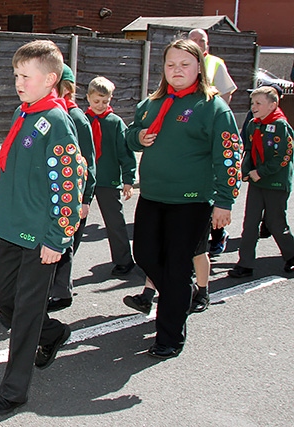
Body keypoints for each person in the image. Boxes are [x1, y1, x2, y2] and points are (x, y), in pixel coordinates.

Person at [0, 40, 85, 415]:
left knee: (26, 314)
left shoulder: (57, 121)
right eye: (16, 75)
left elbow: (69, 183)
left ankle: (13, 390)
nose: (18, 82)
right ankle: (55, 332)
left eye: (25, 76)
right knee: (4, 299)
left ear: (50, 79)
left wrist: (57, 238)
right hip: (13, 226)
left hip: (40, 233)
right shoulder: (26, 113)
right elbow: (12, 158)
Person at [125, 39, 240, 359]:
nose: (177, 70)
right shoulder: (152, 102)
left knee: (176, 268)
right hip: (153, 196)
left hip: (191, 201)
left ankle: (170, 337)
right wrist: (139, 137)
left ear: (198, 68)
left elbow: (229, 155)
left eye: (184, 65)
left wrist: (224, 200)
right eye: (171, 65)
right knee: (145, 255)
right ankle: (182, 295)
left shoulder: (213, 106)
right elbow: (130, 135)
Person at [228, 86, 294, 278]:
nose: (254, 107)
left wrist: (261, 172)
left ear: (273, 105)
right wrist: (245, 171)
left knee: (275, 223)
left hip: (275, 183)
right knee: (250, 223)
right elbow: (249, 152)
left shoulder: (281, 126)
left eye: (258, 103)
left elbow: (284, 156)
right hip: (257, 182)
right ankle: (245, 263)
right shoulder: (253, 125)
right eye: (252, 103)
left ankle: (291, 255)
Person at [47, 64, 95, 312]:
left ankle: (62, 292)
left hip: (73, 196)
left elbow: (88, 161)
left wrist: (86, 198)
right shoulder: (49, 114)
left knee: (65, 245)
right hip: (54, 193)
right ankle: (53, 288)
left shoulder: (76, 118)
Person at [188, 28, 238, 255]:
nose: (198, 43)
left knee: (212, 183)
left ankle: (218, 234)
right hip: (189, 129)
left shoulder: (215, 63)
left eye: (202, 40)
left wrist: (216, 119)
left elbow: (227, 93)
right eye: (194, 40)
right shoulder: (181, 61)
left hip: (209, 132)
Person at [85, 76, 137, 277]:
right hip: (86, 180)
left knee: (115, 222)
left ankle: (124, 260)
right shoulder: (82, 120)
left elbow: (125, 152)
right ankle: (62, 265)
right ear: (88, 98)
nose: (100, 105)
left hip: (109, 180)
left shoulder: (115, 123)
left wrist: (128, 179)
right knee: (73, 223)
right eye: (96, 101)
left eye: (105, 102)